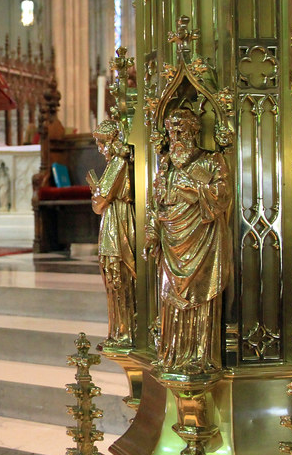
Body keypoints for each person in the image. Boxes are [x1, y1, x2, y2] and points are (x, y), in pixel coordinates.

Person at [145, 103, 232, 372]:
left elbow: (222, 195)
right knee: (170, 297)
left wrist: (194, 188)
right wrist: (151, 233)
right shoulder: (166, 165)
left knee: (199, 295)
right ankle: (173, 354)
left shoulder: (210, 160)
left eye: (182, 132)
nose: (177, 139)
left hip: (202, 239)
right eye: (173, 133)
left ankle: (200, 357)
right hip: (172, 239)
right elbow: (154, 204)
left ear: (194, 132)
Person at [90, 118, 135, 345]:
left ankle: (124, 332)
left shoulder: (117, 163)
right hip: (116, 220)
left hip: (117, 225)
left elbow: (100, 203)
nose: (100, 149)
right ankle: (119, 330)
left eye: (101, 144)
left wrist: (96, 193)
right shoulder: (118, 163)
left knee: (117, 276)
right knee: (114, 277)